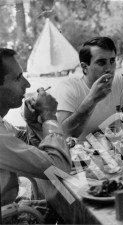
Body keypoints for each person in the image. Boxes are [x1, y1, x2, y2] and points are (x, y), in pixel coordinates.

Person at [0, 48, 71, 222]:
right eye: (17, 78)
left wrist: (32, 123)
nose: (27, 84)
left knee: (64, 204)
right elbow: (59, 168)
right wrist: (48, 115)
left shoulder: (3, 125)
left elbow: (24, 145)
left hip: (9, 210)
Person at [52, 37, 123, 141]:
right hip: (79, 155)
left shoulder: (118, 81)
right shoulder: (68, 88)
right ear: (85, 67)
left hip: (112, 153)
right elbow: (63, 134)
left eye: (112, 61)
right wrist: (92, 99)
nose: (109, 68)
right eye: (101, 62)